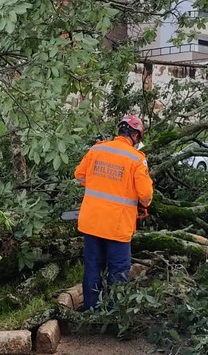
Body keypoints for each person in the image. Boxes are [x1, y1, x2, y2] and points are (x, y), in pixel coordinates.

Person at [74, 115, 153, 310]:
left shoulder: (96, 149)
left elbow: (80, 176)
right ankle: (114, 314)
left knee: (93, 267)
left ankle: (92, 312)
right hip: (117, 227)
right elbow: (146, 196)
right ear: (134, 135)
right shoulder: (136, 159)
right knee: (118, 270)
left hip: (92, 223)